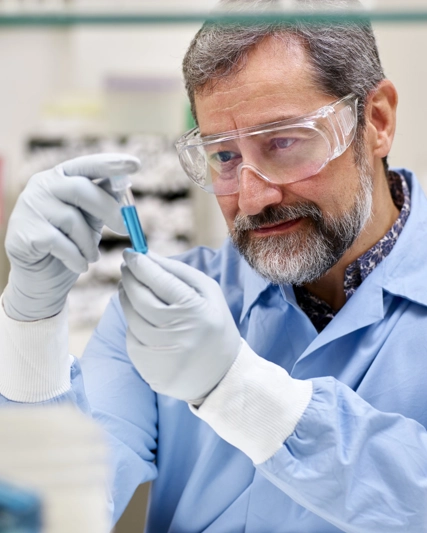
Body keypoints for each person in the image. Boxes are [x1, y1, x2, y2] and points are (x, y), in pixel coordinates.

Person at [1, 1, 427, 531]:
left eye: (284, 142)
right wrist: (31, 327)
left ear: (378, 120)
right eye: (224, 156)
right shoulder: (157, 316)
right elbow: (56, 511)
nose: (251, 197)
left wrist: (237, 389)